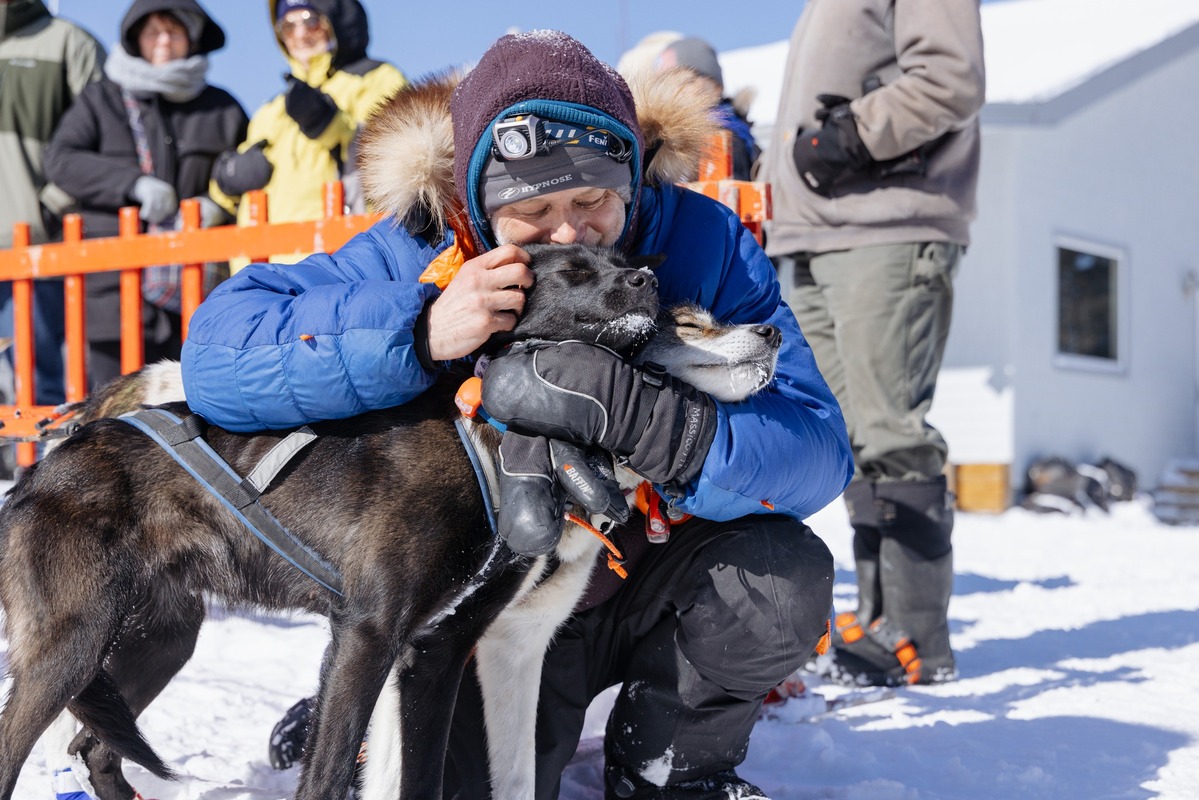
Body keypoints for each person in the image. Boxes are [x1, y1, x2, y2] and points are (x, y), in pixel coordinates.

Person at [181, 30, 853, 799]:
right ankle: (356, 717)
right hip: (496, 600)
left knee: (778, 577)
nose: (569, 231)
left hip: (644, 573)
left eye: (593, 200)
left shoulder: (698, 240)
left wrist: (657, 425)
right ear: (479, 203)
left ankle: (673, 764)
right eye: (533, 209)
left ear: (631, 184)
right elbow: (216, 356)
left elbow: (816, 448)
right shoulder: (426, 242)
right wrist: (419, 330)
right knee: (463, 777)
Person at [760, 0, 986, 687]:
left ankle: (916, 635)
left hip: (886, 226)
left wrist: (847, 138)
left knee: (888, 431)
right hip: (817, 235)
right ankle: (876, 618)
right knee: (849, 436)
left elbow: (951, 78)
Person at [42, 0, 247, 390]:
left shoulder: (223, 108)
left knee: (188, 411)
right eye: (153, 32)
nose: (164, 41)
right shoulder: (102, 100)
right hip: (114, 293)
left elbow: (246, 173)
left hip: (198, 294)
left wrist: (219, 205)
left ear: (193, 37)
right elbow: (61, 160)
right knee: (111, 417)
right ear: (137, 39)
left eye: (174, 31)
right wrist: (131, 184)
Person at [209, 0, 405, 232]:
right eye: (289, 26)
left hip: (337, 252)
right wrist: (227, 180)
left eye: (311, 22)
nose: (300, 34)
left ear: (335, 21)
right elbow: (222, 197)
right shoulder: (271, 109)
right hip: (265, 259)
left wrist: (334, 126)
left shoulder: (375, 79)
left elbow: (398, 160)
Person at [0, 0, 104, 409]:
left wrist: (53, 205)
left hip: (35, 246)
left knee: (40, 386)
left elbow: (104, 134)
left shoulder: (68, 43)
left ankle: (39, 471)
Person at [653, 36, 760, 180]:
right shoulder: (661, 141)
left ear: (716, 87)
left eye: (686, 81)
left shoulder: (727, 139)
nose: (675, 91)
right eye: (667, 84)